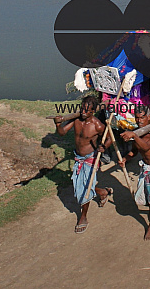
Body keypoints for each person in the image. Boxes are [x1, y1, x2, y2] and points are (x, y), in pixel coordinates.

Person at [53, 95, 113, 234]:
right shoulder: (76, 120)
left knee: (85, 188)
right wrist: (57, 124)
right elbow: (62, 133)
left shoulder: (97, 125)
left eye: (87, 110)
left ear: (93, 111)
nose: (84, 112)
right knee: (83, 184)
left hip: (90, 159)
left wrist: (103, 146)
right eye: (82, 108)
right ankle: (103, 192)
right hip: (78, 157)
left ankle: (83, 217)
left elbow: (109, 137)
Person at [119, 106, 150, 240]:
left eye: (142, 118)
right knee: (144, 198)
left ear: (148, 117)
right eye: (137, 118)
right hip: (145, 168)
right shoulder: (137, 133)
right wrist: (125, 159)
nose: (139, 120)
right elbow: (135, 151)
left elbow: (145, 147)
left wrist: (134, 135)